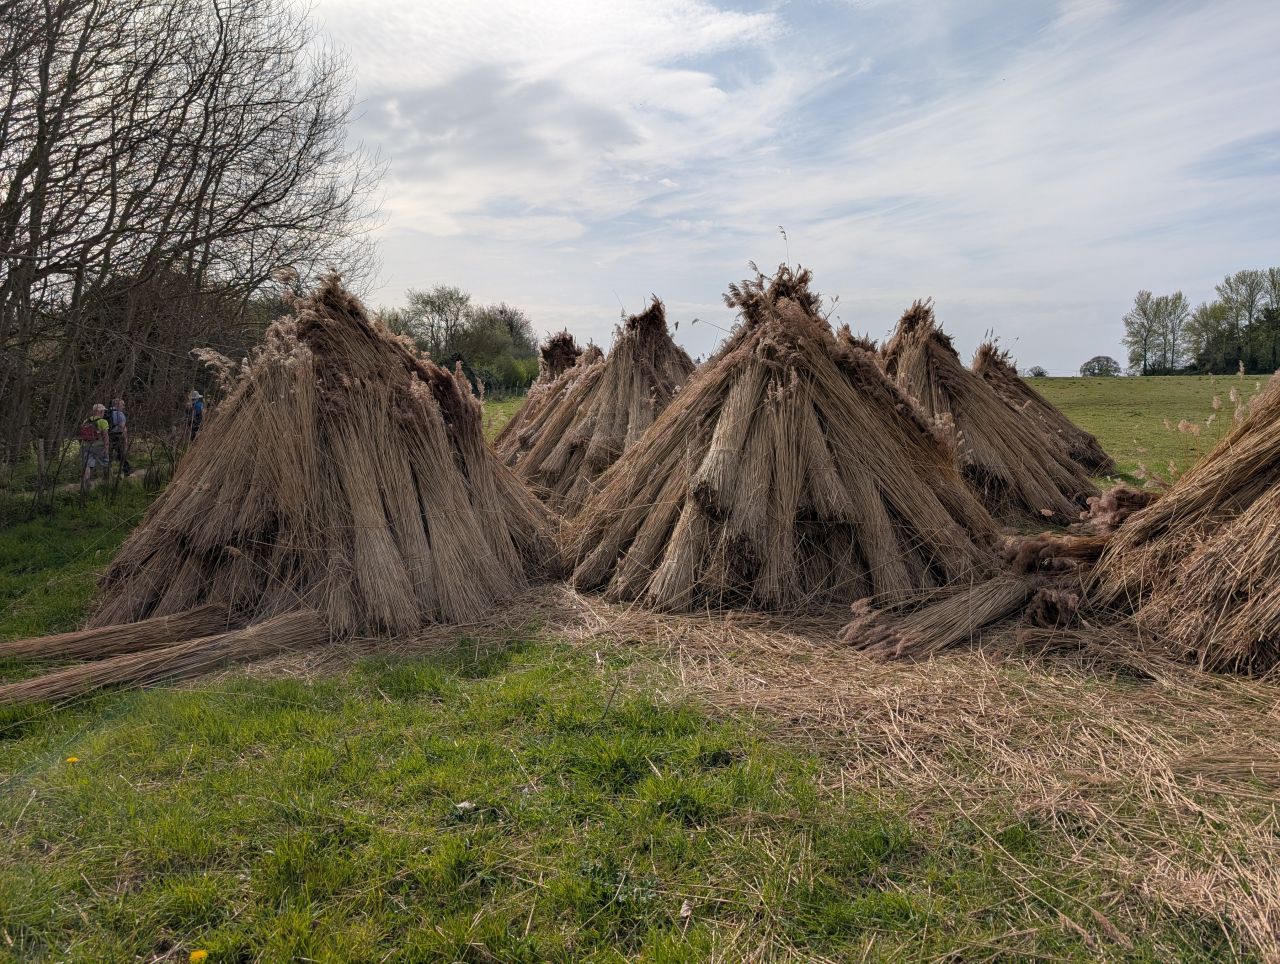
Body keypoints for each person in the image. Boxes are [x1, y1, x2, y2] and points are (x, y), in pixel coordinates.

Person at [78, 403, 111, 485]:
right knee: (105, 463)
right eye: (103, 411)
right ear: (100, 411)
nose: (104, 413)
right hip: (99, 446)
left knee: (87, 465)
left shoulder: (86, 421)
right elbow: (105, 435)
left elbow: (82, 433)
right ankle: (107, 481)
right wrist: (106, 447)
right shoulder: (103, 421)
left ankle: (86, 482)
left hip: (85, 446)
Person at [107, 397, 132, 475]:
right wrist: (125, 439)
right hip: (117, 436)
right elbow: (122, 427)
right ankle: (127, 471)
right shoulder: (120, 414)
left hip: (107, 436)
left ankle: (107, 473)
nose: (124, 406)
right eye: (123, 404)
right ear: (117, 405)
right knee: (121, 454)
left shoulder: (106, 413)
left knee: (108, 456)